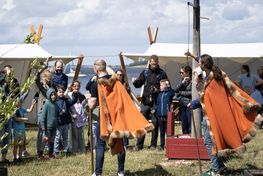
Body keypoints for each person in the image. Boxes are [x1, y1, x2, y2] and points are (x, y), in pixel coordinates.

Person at [186, 52, 262, 175]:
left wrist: (195, 97)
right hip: (213, 114)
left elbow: (207, 98)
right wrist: (192, 55)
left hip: (212, 117)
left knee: (209, 141)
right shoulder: (218, 75)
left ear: (203, 64)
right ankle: (220, 166)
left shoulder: (210, 82)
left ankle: (215, 169)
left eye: (200, 63)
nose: (199, 64)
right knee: (214, 141)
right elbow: (209, 98)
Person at [89, 59, 153, 176]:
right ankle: (120, 172)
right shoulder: (117, 82)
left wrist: (89, 105)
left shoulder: (95, 83)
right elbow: (123, 99)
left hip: (104, 120)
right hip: (117, 118)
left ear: (96, 68)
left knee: (100, 145)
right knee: (121, 145)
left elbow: (92, 104)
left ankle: (98, 173)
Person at [132, 54, 168, 150]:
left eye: (155, 64)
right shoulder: (145, 72)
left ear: (157, 63)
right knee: (142, 123)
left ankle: (153, 145)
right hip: (145, 102)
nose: (153, 66)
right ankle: (139, 145)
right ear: (149, 63)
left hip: (156, 103)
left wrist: (158, 90)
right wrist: (135, 82)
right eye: (152, 64)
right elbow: (138, 84)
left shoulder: (162, 73)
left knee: (155, 124)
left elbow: (167, 87)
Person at [0, 65, 20, 164]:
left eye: (11, 72)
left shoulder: (12, 83)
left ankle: (3, 159)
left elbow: (17, 93)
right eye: (8, 72)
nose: (9, 74)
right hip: (0, 116)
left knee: (7, 139)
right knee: (1, 137)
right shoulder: (1, 83)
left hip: (8, 115)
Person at [53, 84, 77, 157]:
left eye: (63, 92)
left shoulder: (65, 100)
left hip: (66, 122)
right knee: (57, 137)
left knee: (65, 137)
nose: (61, 93)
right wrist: (60, 113)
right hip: (59, 123)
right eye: (60, 92)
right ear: (56, 93)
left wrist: (75, 94)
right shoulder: (55, 101)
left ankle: (65, 151)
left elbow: (72, 101)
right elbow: (55, 112)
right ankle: (56, 152)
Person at [39, 88, 58, 160]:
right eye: (52, 95)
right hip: (47, 126)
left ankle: (50, 154)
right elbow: (43, 116)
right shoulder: (46, 104)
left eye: (54, 95)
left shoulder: (55, 104)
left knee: (52, 140)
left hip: (54, 126)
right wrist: (43, 126)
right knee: (45, 139)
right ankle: (40, 154)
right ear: (49, 95)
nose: (53, 96)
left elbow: (56, 115)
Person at [68, 80, 87, 154]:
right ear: (72, 87)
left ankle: (82, 149)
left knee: (81, 135)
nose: (76, 87)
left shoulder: (82, 95)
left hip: (80, 118)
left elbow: (84, 106)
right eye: (75, 86)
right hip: (73, 117)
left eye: (78, 86)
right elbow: (67, 106)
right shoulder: (69, 95)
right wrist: (71, 115)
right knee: (74, 135)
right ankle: (74, 150)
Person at [155, 79, 174, 150]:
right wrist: (156, 110)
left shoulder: (168, 93)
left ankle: (169, 145)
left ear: (166, 86)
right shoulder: (159, 94)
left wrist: (169, 86)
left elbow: (173, 93)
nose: (160, 86)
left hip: (166, 115)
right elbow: (157, 103)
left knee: (167, 131)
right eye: (160, 85)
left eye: (162, 85)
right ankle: (162, 145)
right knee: (161, 131)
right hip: (160, 115)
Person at [174, 65, 192, 134]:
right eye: (180, 73)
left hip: (189, 105)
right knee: (184, 125)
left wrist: (181, 93)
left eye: (182, 72)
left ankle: (191, 140)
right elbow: (175, 90)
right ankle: (185, 138)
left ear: (187, 73)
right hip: (182, 105)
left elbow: (193, 93)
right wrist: (182, 83)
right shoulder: (182, 81)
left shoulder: (193, 81)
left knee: (190, 124)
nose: (181, 74)